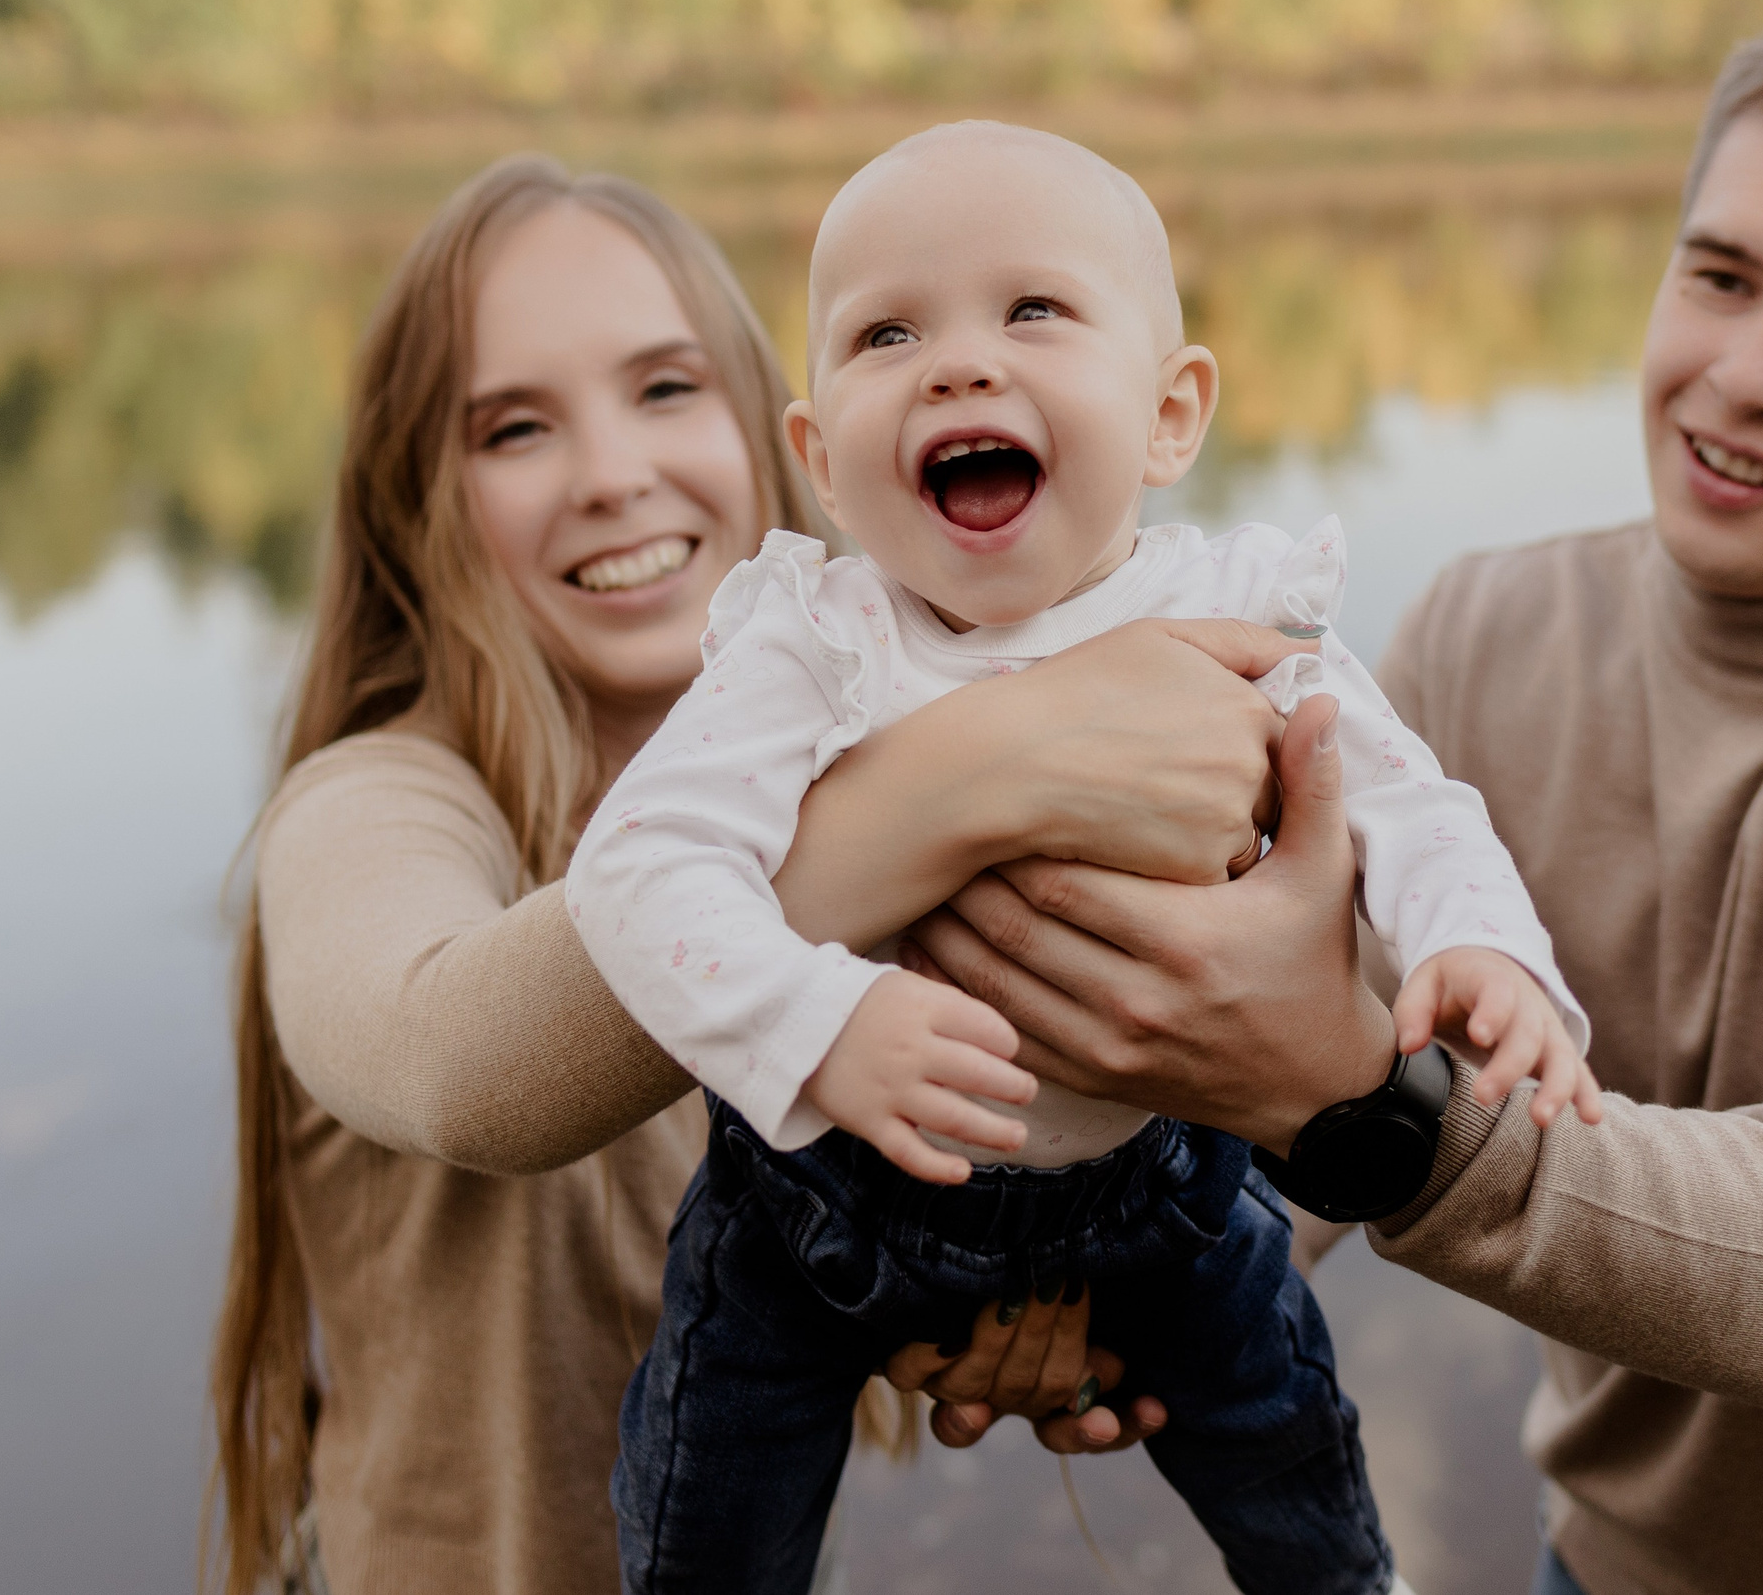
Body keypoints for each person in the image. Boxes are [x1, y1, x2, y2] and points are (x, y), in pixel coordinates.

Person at [889, 0, 1763, 1594]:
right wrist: (1125, 1286)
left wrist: (1366, 1111)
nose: (1749, 370)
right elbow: (1274, 1055)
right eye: (1720, 275)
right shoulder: (1484, 631)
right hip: (1610, 1557)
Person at [207, 154, 1299, 1595]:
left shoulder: (847, 756)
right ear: (418, 491)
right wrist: (990, 764)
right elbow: (461, 1060)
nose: (613, 475)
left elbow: (1261, 1067)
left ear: (783, 439)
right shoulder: (370, 803)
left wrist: (1054, 1281)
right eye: (513, 427)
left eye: (667, 389)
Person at [566, 123, 1599, 1595]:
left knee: (1284, 1446)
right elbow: (637, 868)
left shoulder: (1231, 612)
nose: (958, 364)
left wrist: (1483, 946)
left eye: (1032, 310)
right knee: (711, 1493)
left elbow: (1409, 806)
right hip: (825, 1200)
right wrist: (821, 1023)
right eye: (887, 331)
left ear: (1172, 413)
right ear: (819, 459)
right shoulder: (813, 641)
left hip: (1154, 1180)